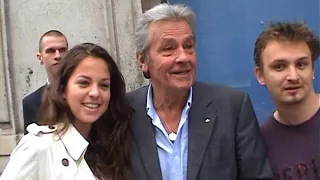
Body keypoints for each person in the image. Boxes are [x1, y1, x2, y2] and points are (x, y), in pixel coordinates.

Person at [128, 3, 273, 180]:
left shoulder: (232, 107)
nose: (183, 57)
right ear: (143, 60)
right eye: (168, 48)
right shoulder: (124, 112)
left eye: (188, 46)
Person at [1, 43, 131, 180]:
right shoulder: (38, 147)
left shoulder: (114, 146)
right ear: (63, 89)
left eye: (104, 85)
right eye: (84, 83)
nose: (95, 92)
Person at [254, 21, 320, 179]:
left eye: (301, 64)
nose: (293, 76)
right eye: (279, 67)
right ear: (260, 75)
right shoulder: (260, 145)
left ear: (313, 70)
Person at [23, 30, 68, 133]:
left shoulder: (84, 93)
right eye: (51, 51)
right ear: (40, 58)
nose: (58, 56)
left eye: (62, 50)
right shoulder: (31, 102)